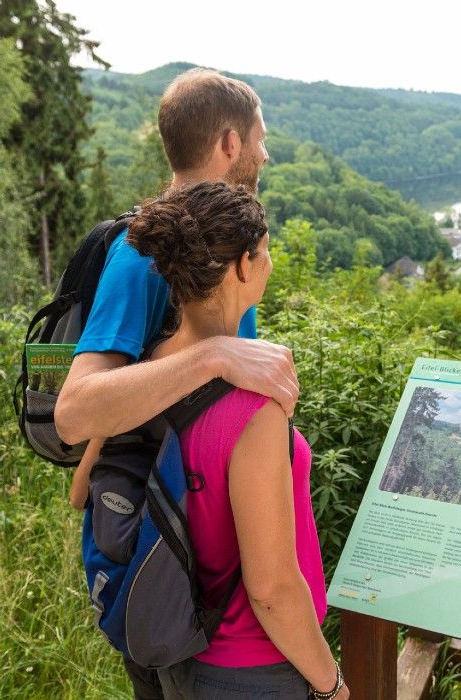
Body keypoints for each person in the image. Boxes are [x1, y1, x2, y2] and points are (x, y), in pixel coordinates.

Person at [58, 68, 299, 697]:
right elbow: (76, 412)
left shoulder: (217, 241)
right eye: (260, 137)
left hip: (207, 585)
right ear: (228, 142)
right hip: (161, 572)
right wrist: (214, 356)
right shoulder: (143, 255)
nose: (265, 151)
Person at [124, 181, 347, 700]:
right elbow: (270, 590)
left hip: (173, 649)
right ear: (243, 267)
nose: (269, 264)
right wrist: (331, 684)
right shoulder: (254, 406)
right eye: (265, 253)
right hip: (253, 666)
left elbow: (83, 490)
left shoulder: (143, 376)